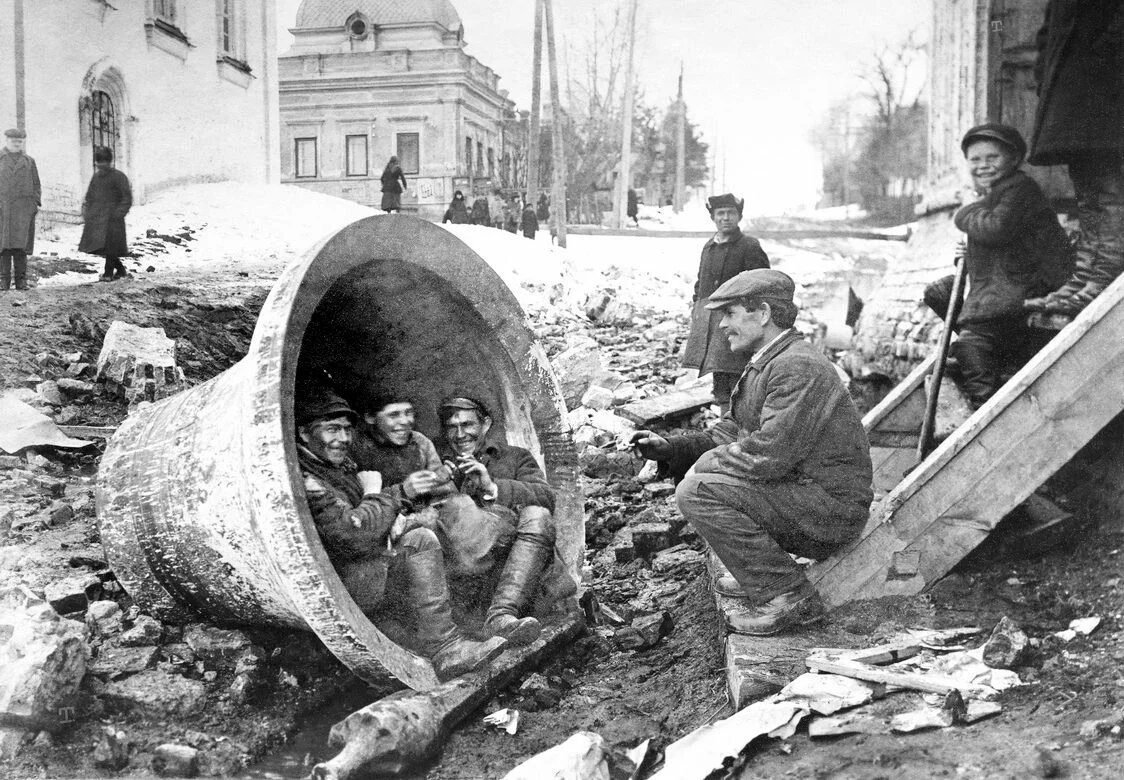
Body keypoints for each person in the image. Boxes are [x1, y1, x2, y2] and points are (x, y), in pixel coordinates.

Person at [631, 270, 872, 636]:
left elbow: (768, 455)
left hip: (832, 510)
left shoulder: (796, 367)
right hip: (809, 497)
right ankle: (762, 576)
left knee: (698, 492)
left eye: (730, 314)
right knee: (703, 482)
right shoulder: (773, 359)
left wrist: (704, 465)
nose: (723, 326)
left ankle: (788, 595)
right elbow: (733, 430)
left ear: (761, 314)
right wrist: (673, 449)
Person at [294, 386, 506, 680]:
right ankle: (446, 647)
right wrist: (387, 494)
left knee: (455, 523)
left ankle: (474, 619)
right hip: (345, 585)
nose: (342, 439)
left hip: (372, 562)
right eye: (332, 429)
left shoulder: (334, 463)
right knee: (421, 540)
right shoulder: (310, 481)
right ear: (304, 434)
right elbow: (354, 532)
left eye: (345, 429)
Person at [923, 124, 1071, 409]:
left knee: (971, 340)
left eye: (992, 157)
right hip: (1010, 285)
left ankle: (986, 403)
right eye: (975, 159)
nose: (983, 166)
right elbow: (1004, 241)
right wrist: (968, 252)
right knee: (940, 295)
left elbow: (998, 229)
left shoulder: (1020, 188)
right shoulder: (998, 192)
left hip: (1034, 288)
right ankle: (986, 381)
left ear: (1014, 158)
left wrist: (964, 213)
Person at [1024, 0, 1124, 315]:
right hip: (1070, 93)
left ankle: (1104, 274)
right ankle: (1084, 277)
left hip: (1107, 90)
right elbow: (1046, 36)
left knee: (1108, 188)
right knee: (1086, 190)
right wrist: (1045, 77)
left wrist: (1102, 61)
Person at [435, 396, 558, 645]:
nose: (460, 434)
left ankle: (502, 617)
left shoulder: (513, 458)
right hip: (465, 580)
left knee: (538, 516)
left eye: (468, 425)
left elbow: (545, 496)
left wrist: (492, 487)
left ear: (486, 424)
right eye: (452, 427)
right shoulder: (435, 464)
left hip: (513, 573)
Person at [681, 193, 771, 411]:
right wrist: (697, 309)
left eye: (731, 213)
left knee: (738, 370)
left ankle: (740, 422)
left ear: (739, 216)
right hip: (711, 321)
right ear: (713, 217)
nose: (726, 218)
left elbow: (763, 282)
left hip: (739, 319)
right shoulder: (709, 247)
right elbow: (700, 281)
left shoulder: (749, 246)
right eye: (720, 213)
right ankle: (725, 420)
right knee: (718, 371)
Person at [79, 146, 132, 282]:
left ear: (109, 162)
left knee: (110, 246)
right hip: (97, 218)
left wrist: (118, 214)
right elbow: (90, 196)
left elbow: (127, 198)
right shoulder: (96, 178)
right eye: (99, 162)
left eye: (104, 162)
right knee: (100, 246)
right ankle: (120, 270)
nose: (101, 165)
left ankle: (108, 273)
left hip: (112, 218)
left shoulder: (119, 177)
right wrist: (87, 212)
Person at [0, 128, 40, 292]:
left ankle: (21, 281)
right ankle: (3, 282)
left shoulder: (29, 161)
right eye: (13, 141)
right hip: (3, 208)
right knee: (2, 246)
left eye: (19, 141)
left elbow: (36, 184)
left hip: (23, 210)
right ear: (6, 141)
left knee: (20, 246)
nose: (16, 144)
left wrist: (34, 203)